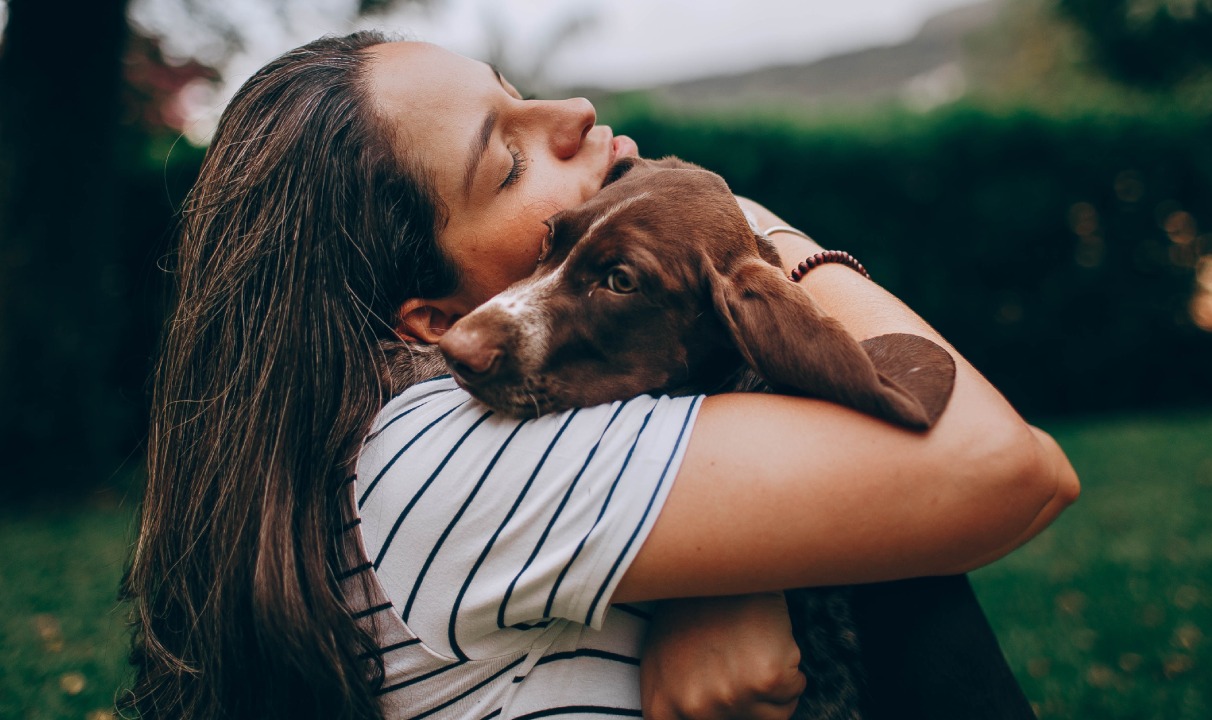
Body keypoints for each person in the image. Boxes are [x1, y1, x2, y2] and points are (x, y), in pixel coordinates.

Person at [120, 30, 1079, 720]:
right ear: (434, 323)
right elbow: (1008, 468)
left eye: (514, 89)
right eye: (507, 158)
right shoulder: (425, 455)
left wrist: (745, 578)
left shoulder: (510, 422)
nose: (574, 113)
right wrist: (750, 232)